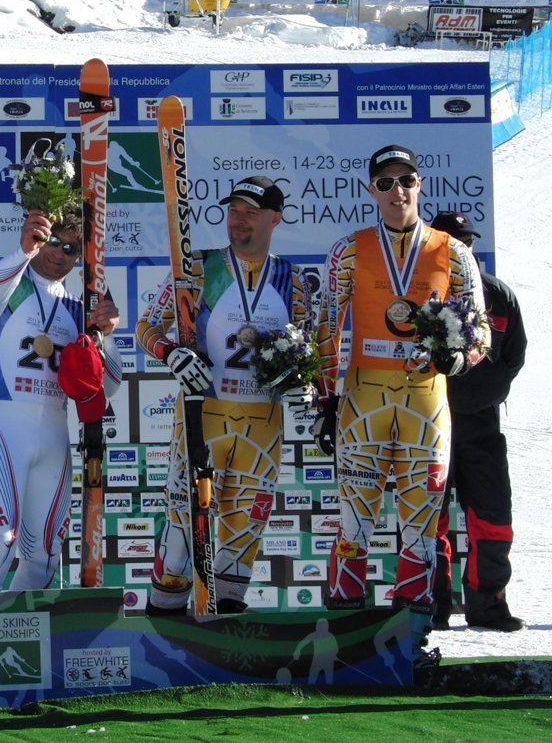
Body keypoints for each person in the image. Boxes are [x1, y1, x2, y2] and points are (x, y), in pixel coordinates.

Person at [313, 147, 488, 665]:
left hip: (426, 403)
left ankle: (409, 646)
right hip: (363, 399)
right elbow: (327, 325)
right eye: (386, 182)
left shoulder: (453, 252)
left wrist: (459, 358)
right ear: (371, 190)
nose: (397, 191)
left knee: (420, 528)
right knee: (354, 524)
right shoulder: (348, 250)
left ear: (420, 184)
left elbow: (479, 327)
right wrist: (326, 399)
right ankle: (344, 646)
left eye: (406, 180)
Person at [137, 176, 312, 614]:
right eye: (234, 210)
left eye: (251, 212)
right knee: (183, 526)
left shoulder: (293, 280)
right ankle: (163, 614)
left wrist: (303, 382)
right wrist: (171, 353)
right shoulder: (198, 268)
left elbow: (308, 350)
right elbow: (147, 325)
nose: (238, 220)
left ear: (275, 219)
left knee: (244, 528)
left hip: (263, 423)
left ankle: (228, 620)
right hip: (205, 412)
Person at [0, 208, 122, 592]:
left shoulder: (78, 309)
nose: (58, 253)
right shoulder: (6, 282)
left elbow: (110, 385)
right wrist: (24, 252)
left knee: (47, 553)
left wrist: (105, 335)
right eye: (53, 241)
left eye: (70, 248)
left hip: (52, 433)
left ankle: (19, 626)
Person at [429, 211, 526, 632]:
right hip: (429, 420)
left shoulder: (498, 295)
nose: (461, 249)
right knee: (428, 518)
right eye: (451, 242)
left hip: (481, 423)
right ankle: (431, 607)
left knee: (492, 514)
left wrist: (488, 389)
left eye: (466, 242)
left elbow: (515, 353)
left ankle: (488, 606)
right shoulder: (418, 291)